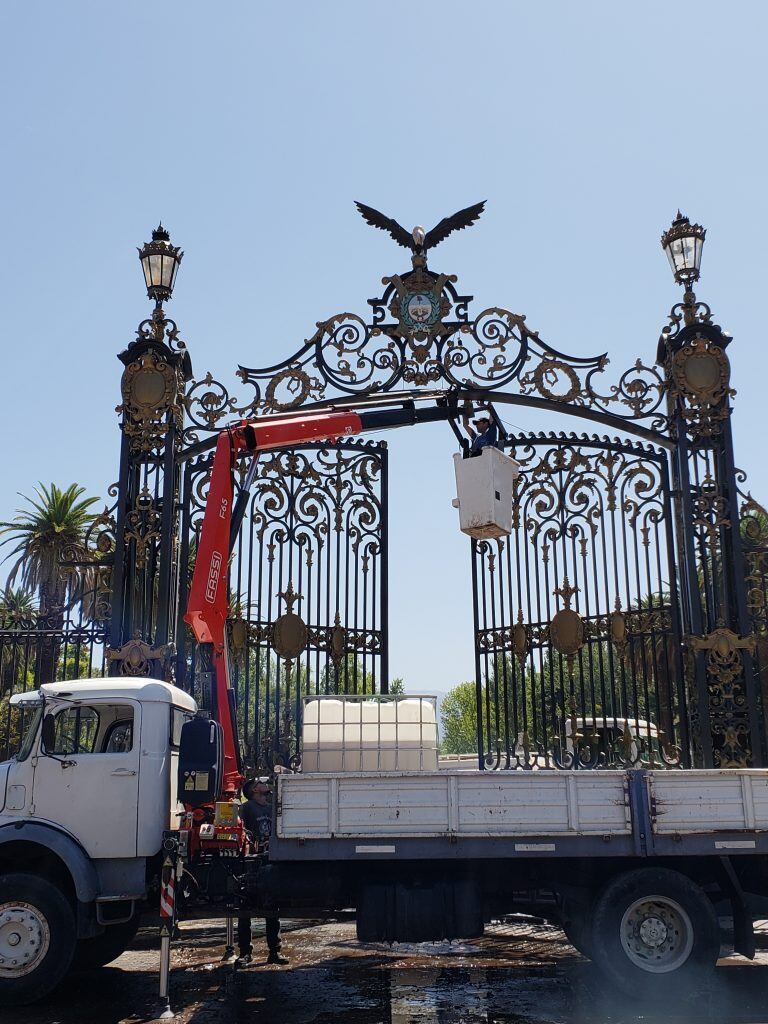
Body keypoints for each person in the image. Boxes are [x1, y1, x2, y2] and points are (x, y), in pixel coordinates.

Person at [235, 777, 288, 966]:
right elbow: (242, 830)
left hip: (271, 857)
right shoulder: (247, 807)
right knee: (245, 907)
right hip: (252, 860)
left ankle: (275, 951)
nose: (264, 784)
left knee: (272, 907)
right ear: (254, 790)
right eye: (259, 783)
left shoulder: (272, 806)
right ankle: (245, 953)